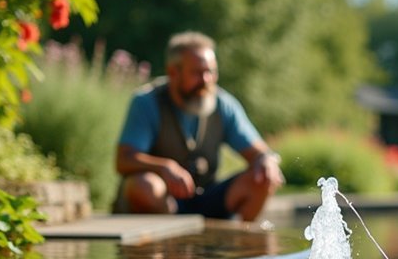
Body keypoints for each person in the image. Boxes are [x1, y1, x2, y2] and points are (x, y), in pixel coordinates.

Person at [114, 31, 284, 221]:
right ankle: (162, 245)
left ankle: (239, 240)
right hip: (164, 202)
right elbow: (123, 160)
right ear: (173, 72)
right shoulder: (146, 102)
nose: (206, 80)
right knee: (144, 185)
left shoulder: (223, 104)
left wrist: (266, 159)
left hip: (207, 197)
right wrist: (164, 168)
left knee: (261, 177)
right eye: (197, 72)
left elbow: (258, 152)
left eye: (210, 71)